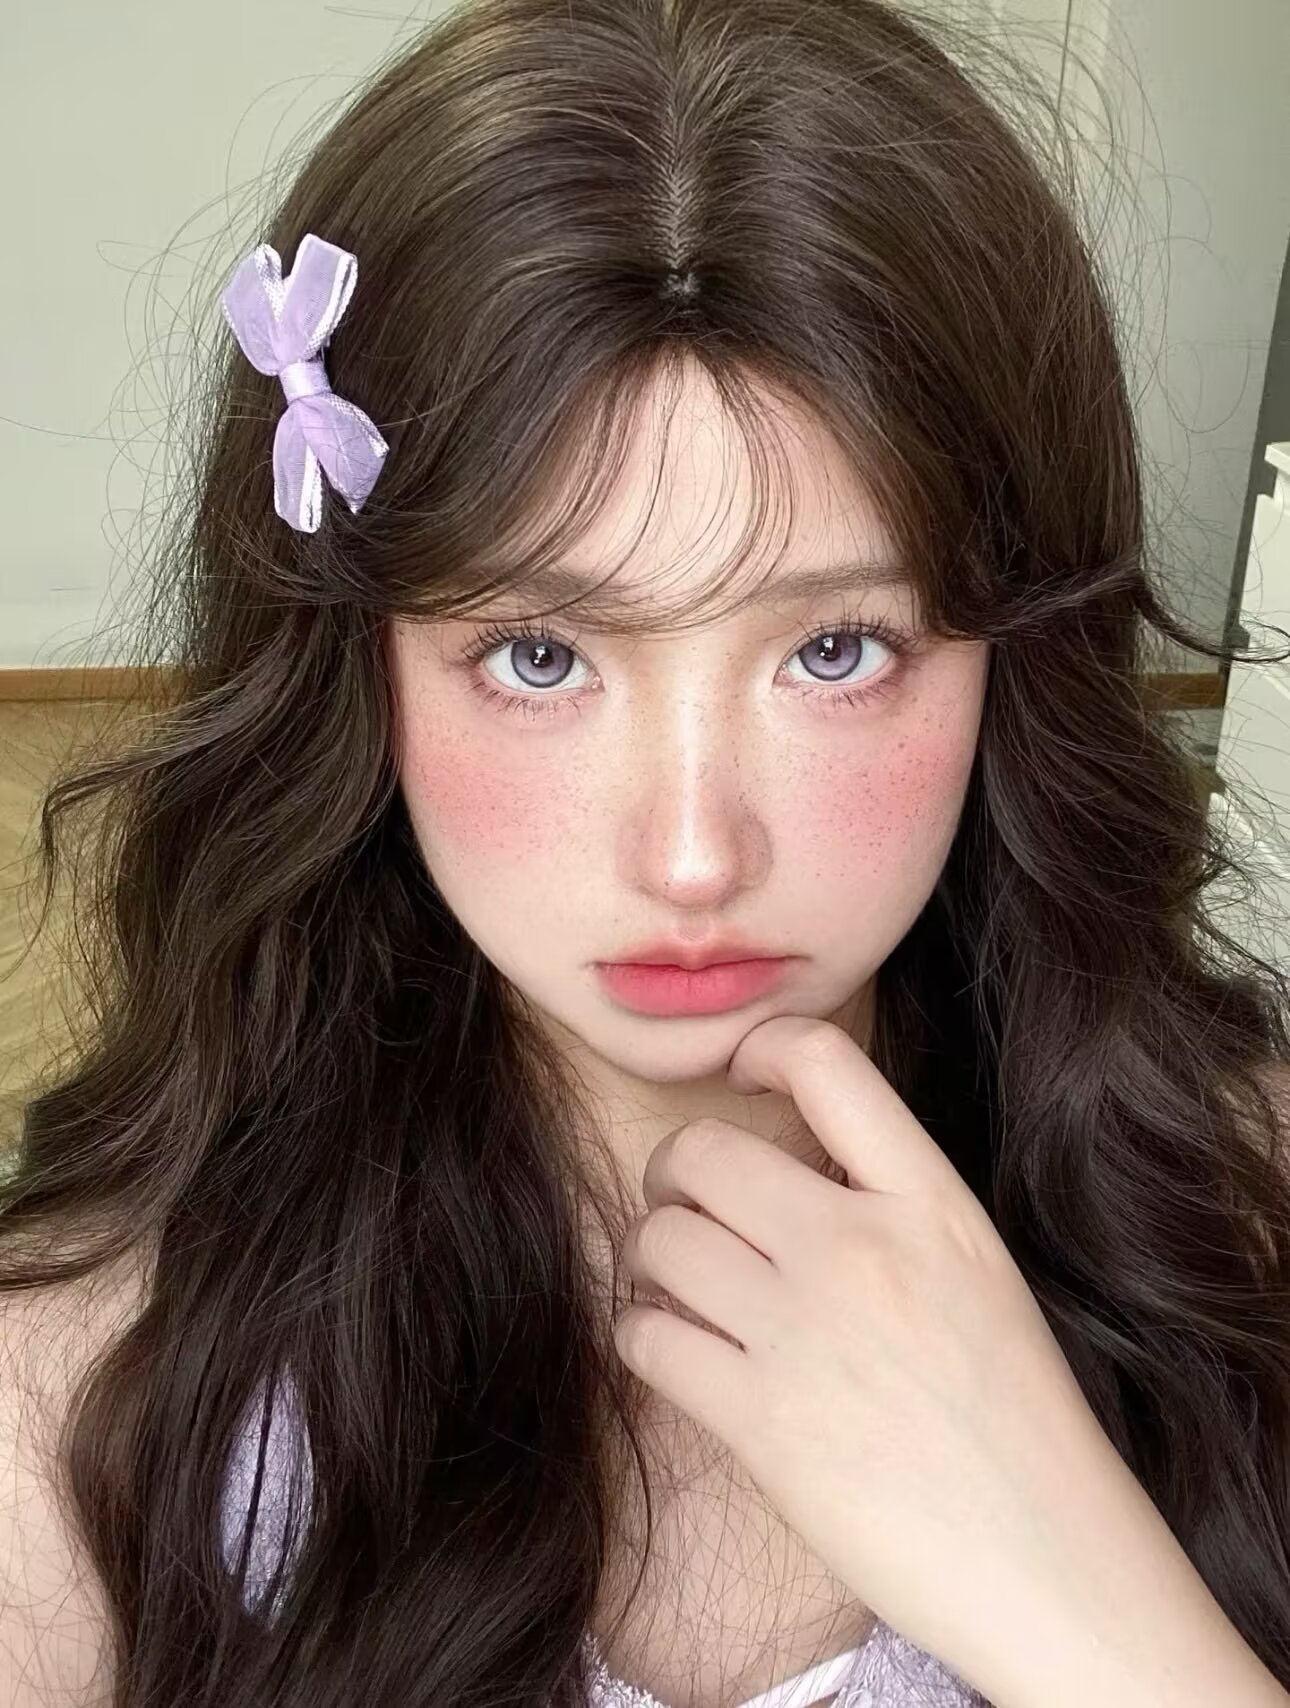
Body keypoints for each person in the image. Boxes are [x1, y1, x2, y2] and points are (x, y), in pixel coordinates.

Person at [2, 0, 1288, 1704]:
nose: (691, 855)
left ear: (1010, 658)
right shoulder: (75, 1397)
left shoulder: (1248, 1216)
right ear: (359, 671)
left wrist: (1077, 1584)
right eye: (540, 656)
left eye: (835, 649)